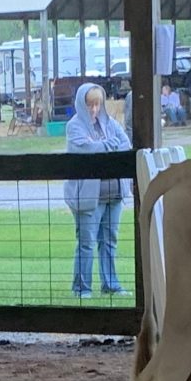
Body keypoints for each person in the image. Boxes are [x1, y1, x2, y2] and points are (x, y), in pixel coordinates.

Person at [63, 82, 130, 298]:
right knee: (87, 243)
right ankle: (82, 288)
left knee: (109, 241)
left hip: (114, 194)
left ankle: (110, 283)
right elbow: (87, 149)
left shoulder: (110, 124)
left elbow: (126, 145)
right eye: (90, 104)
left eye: (98, 104)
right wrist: (109, 146)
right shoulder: (74, 126)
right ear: (82, 104)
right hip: (89, 197)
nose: (94, 109)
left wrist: (104, 145)